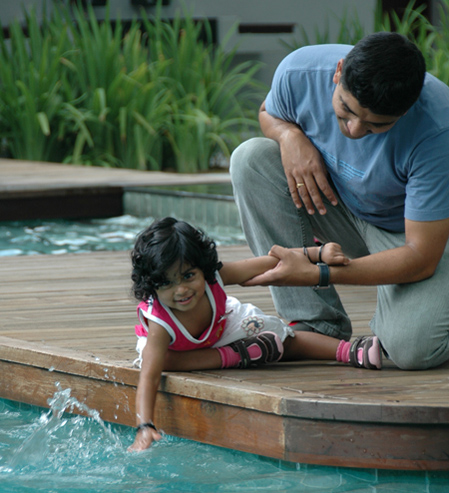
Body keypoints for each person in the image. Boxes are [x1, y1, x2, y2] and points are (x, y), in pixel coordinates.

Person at [230, 31, 449, 371]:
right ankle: (316, 325)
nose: (355, 130)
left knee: (412, 349)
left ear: (406, 110)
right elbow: (267, 112)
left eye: (377, 125)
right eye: (346, 110)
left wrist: (319, 273)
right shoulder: (299, 72)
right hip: (343, 207)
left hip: (414, 234)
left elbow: (421, 257)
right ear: (338, 71)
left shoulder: (438, 129)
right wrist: (288, 135)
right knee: (251, 158)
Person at [128, 217, 381, 452]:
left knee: (285, 339)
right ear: (151, 285)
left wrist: (316, 253)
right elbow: (149, 378)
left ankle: (349, 351)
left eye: (188, 276)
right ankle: (234, 355)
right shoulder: (160, 325)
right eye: (167, 283)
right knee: (162, 363)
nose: (181, 290)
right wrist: (144, 425)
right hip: (176, 349)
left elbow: (266, 263)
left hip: (222, 324)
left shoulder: (213, 278)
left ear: (203, 268)